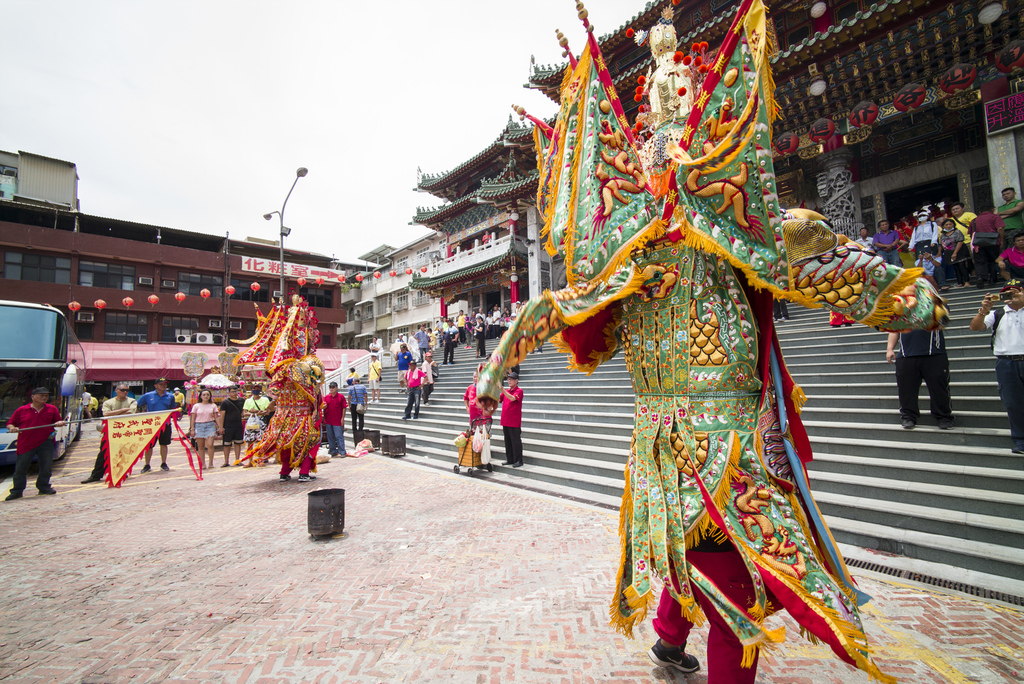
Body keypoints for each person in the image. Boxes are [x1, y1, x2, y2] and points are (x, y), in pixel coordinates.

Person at [970, 279, 1024, 453]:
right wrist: (983, 310)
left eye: (1014, 292)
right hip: (1006, 362)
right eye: (1007, 293)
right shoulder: (997, 313)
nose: (1010, 297)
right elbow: (975, 327)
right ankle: (1020, 440)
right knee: (1013, 403)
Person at [886, 329, 953, 430]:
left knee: (939, 388)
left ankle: (944, 417)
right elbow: (894, 329)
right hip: (906, 355)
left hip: (934, 353)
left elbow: (942, 319)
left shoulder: (934, 312)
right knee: (906, 389)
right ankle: (908, 416)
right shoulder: (900, 313)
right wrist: (890, 348)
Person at [5, 387, 64, 500]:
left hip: (45, 442)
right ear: (33, 397)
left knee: (46, 467)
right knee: (21, 468)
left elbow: (57, 420)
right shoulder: (22, 410)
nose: (44, 397)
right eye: (41, 395)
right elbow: (10, 423)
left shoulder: (52, 409)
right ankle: (17, 491)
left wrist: (59, 423)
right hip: (26, 443)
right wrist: (12, 428)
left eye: (46, 395)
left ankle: (44, 487)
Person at [81, 384, 137, 484]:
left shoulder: (132, 401)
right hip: (110, 430)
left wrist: (114, 413)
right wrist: (123, 410)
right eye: (122, 390)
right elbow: (105, 414)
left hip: (125, 431)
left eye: (127, 390)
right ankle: (96, 475)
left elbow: (131, 413)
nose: (125, 392)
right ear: (116, 390)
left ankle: (121, 472)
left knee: (123, 452)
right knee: (103, 452)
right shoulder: (108, 402)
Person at [138, 377, 177, 472]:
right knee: (149, 445)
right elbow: (137, 405)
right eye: (161, 384)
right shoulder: (148, 395)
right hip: (151, 424)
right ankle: (147, 464)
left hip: (165, 424)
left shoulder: (170, 396)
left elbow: (172, 408)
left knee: (164, 444)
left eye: (165, 384)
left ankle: (163, 463)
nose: (163, 386)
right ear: (155, 386)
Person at [971, 204, 1006, 288]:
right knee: (993, 260)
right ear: (992, 209)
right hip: (993, 242)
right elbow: (1000, 228)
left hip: (978, 243)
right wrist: (1001, 239)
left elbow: (972, 233)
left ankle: (980, 277)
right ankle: (992, 278)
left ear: (980, 211)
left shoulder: (975, 220)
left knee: (980, 262)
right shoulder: (995, 217)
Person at [189, 389, 222, 469]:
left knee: (210, 444)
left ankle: (211, 463)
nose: (206, 396)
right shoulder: (196, 406)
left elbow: (216, 417)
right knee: (201, 446)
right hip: (199, 425)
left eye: (207, 394)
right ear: (200, 396)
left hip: (210, 425)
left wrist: (220, 427)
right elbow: (193, 418)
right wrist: (192, 428)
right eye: (204, 395)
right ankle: (202, 463)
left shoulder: (213, 406)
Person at [499, 371, 524, 467]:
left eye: (511, 379)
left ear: (516, 381)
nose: (509, 381)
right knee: (507, 441)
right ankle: (510, 459)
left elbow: (513, 398)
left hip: (514, 421)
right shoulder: (507, 391)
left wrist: (503, 390)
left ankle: (518, 460)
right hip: (505, 420)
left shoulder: (519, 391)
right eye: (508, 379)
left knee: (516, 441)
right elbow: (499, 399)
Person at [242, 387, 272, 465]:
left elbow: (267, 412)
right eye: (254, 389)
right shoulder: (248, 401)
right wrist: (257, 413)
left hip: (261, 421)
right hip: (251, 421)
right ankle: (250, 460)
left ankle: (260, 459)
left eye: (258, 389)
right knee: (250, 441)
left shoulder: (265, 400)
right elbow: (245, 413)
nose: (256, 391)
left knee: (261, 441)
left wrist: (255, 411)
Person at [219, 385, 246, 467]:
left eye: (236, 391)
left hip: (238, 424)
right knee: (227, 444)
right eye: (232, 392)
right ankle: (226, 461)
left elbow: (243, 412)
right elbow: (222, 415)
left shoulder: (242, 400)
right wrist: (221, 427)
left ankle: (237, 460)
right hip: (228, 425)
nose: (234, 393)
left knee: (238, 443)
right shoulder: (225, 402)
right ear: (229, 392)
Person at [940, 218, 969, 287]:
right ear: (943, 226)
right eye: (946, 224)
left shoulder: (957, 232)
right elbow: (942, 243)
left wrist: (955, 252)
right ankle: (960, 282)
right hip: (949, 252)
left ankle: (967, 281)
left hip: (959, 251)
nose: (948, 226)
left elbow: (960, 241)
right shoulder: (943, 234)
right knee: (956, 267)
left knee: (962, 266)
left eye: (950, 224)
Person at [322, 381, 348, 457]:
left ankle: (342, 451)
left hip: (337, 420)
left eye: (333, 387)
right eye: (330, 387)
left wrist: (342, 418)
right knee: (330, 437)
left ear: (336, 388)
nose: (331, 389)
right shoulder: (326, 397)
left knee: (339, 436)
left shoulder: (341, 397)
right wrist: (323, 407)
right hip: (328, 420)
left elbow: (344, 407)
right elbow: (322, 406)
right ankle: (333, 450)